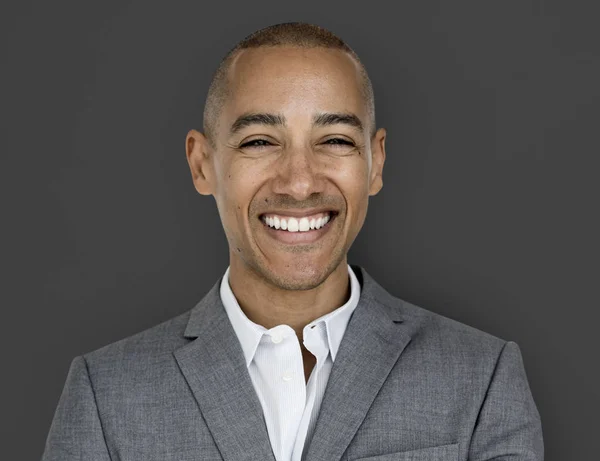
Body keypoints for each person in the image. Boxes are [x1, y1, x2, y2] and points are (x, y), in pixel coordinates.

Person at [41, 22, 543, 461]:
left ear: (376, 162)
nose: (299, 182)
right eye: (260, 141)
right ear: (202, 164)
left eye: (335, 141)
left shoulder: (480, 378)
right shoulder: (106, 395)